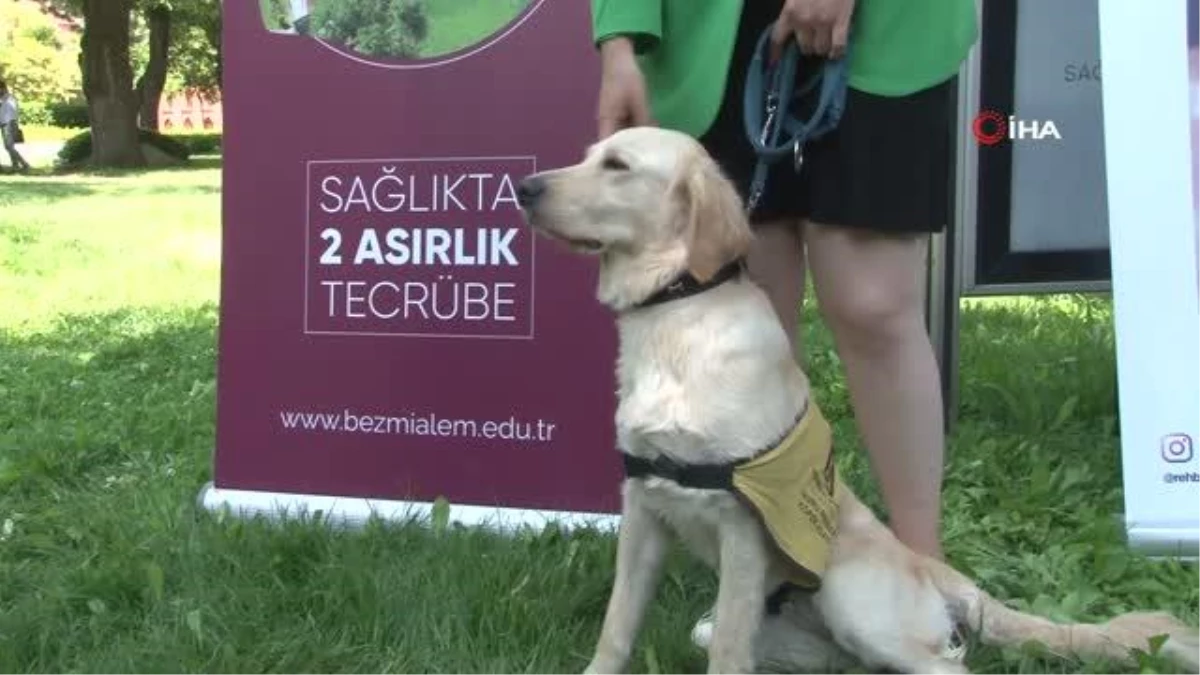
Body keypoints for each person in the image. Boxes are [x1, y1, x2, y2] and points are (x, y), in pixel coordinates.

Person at [589, 0, 978, 647]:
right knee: (749, 299)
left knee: (872, 303)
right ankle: (778, 581)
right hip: (717, 31)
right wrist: (619, 39)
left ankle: (924, 576)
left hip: (886, 25)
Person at [0, 80, 32, 173]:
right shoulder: (3, 99)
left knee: (8, 146)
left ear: (3, 88)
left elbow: (12, 113)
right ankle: (16, 165)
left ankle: (24, 164)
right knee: (9, 146)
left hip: (9, 124)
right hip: (5, 124)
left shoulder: (9, 99)